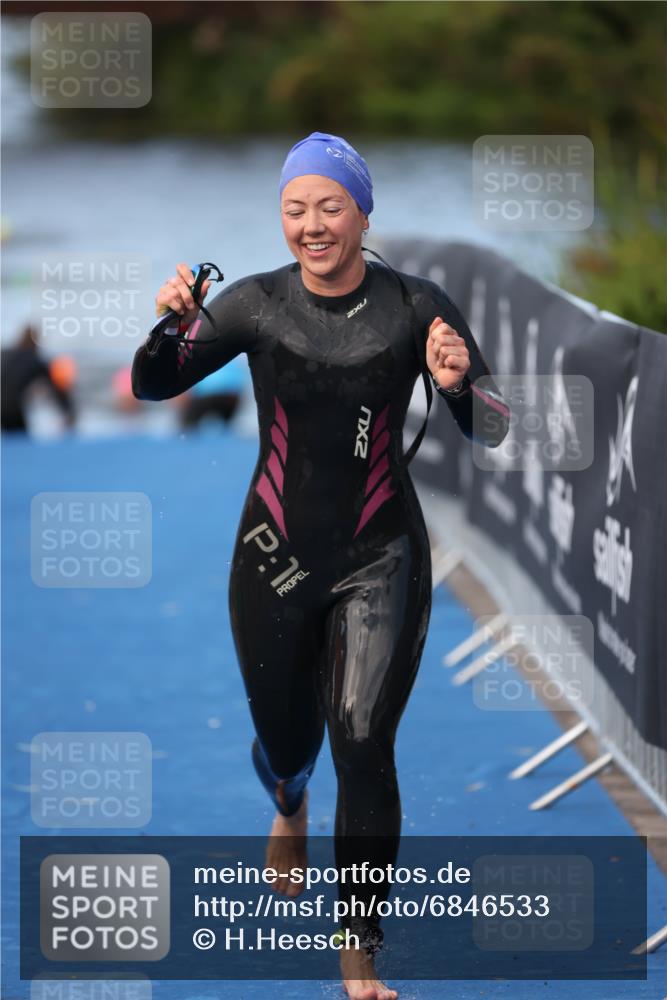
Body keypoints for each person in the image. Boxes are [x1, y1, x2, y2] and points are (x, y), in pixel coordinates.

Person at [131, 131, 509, 1000]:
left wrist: (456, 385)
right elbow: (154, 386)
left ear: (363, 214)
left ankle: (358, 950)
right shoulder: (253, 306)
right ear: (281, 217)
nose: (311, 225)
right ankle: (288, 803)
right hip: (272, 554)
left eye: (329, 206)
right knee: (289, 740)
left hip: (381, 556)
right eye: (295, 208)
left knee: (365, 742)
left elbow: (491, 427)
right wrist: (170, 326)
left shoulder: (417, 307)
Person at [1, 325, 76, 433]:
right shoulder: (34, 361)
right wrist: (68, 411)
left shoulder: (4, 354)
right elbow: (56, 387)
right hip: (12, 407)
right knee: (20, 442)